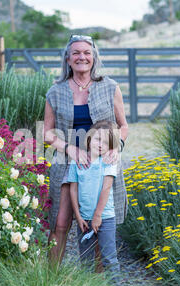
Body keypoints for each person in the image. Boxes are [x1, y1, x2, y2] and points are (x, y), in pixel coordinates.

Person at [43, 34, 128, 265]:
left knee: (97, 222)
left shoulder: (110, 87)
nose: (82, 57)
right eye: (77, 53)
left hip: (101, 163)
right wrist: (71, 149)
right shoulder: (55, 91)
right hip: (66, 161)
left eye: (87, 52)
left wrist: (116, 147)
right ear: (68, 59)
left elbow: (123, 126)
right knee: (60, 223)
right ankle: (52, 279)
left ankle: (96, 285)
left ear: (94, 57)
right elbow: (47, 133)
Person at [68, 120, 121, 277]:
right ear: (90, 138)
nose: (100, 145)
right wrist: (78, 216)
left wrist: (97, 216)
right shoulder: (77, 162)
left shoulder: (108, 161)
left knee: (109, 258)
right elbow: (73, 188)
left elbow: (106, 188)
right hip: (84, 219)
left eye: (105, 143)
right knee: (86, 260)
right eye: (98, 139)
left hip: (105, 218)